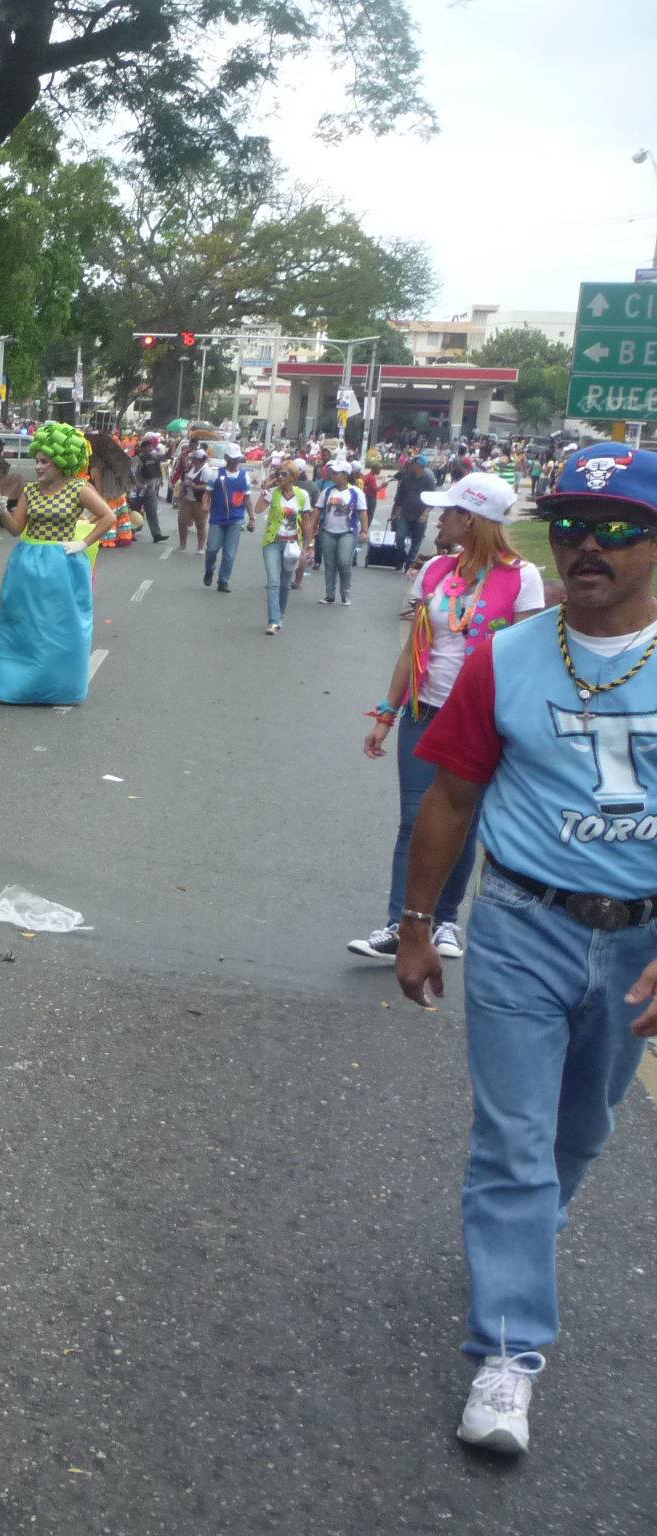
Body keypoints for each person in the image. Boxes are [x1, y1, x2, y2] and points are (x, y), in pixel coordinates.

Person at [394, 444, 657, 1458]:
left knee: (577, 1134)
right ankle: (506, 1354)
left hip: (634, 936)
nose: (584, 545)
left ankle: (517, 1243)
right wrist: (419, 924)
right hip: (518, 925)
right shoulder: (505, 653)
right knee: (509, 1145)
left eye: (615, 526)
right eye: (568, 524)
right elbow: (450, 798)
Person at [354, 472, 545, 962]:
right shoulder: (436, 569)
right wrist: (387, 713)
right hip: (425, 710)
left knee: (463, 820)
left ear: (472, 519)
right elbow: (414, 648)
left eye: (449, 511)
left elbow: (525, 658)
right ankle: (400, 923)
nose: (439, 518)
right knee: (415, 820)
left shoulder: (522, 577)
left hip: (482, 721)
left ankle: (445, 922)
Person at [0, 422, 117, 706]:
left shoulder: (78, 488)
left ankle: (60, 687)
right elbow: (15, 529)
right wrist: (2, 508)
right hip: (26, 563)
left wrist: (83, 544)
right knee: (23, 626)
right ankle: (18, 687)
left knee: (60, 628)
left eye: (44, 462)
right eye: (37, 461)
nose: (38, 467)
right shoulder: (32, 491)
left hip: (62, 564)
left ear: (62, 462)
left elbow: (108, 516)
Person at [257, 459, 312, 635]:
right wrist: (266, 486)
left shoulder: (302, 495)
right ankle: (273, 620)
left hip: (292, 544)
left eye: (284, 474)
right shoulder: (272, 493)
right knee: (273, 582)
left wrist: (309, 546)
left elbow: (307, 523)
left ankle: (279, 616)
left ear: (293, 477)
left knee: (284, 583)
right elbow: (258, 510)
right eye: (278, 473)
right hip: (272, 542)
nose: (280, 477)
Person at [316, 460, 367, 605]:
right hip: (328, 531)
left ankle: (345, 594)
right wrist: (311, 527)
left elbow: (363, 512)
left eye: (336, 473)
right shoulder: (327, 492)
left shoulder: (356, 492)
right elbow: (317, 509)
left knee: (344, 562)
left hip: (347, 532)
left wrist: (364, 531)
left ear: (345, 475)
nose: (333, 475)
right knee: (330, 564)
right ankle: (329, 594)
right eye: (332, 473)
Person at [201, 441, 249, 592]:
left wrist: (252, 518)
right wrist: (205, 504)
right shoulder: (216, 473)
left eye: (238, 458)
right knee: (212, 549)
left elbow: (247, 498)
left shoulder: (244, 476)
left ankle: (223, 581)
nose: (236, 461)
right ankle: (209, 570)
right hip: (217, 518)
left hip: (235, 519)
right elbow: (207, 494)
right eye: (233, 458)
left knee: (229, 554)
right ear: (227, 457)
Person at [392, 453, 434, 571]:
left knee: (416, 541)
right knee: (399, 537)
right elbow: (400, 497)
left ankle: (409, 563)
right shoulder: (408, 478)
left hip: (420, 515)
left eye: (413, 464)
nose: (410, 465)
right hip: (405, 513)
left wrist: (426, 513)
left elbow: (432, 499)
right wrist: (396, 514)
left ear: (419, 466)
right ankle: (402, 558)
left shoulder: (428, 480)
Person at [172, 428, 212, 551]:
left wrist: (195, 486)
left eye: (194, 459)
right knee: (182, 522)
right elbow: (185, 480)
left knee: (200, 524)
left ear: (199, 460)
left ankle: (200, 547)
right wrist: (182, 489)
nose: (192, 460)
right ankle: (182, 544)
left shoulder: (206, 470)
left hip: (199, 500)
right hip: (188, 499)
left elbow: (208, 487)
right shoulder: (192, 469)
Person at [132, 431, 169, 543]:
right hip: (139, 490)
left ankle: (156, 534)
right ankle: (130, 533)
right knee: (135, 513)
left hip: (151, 490)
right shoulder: (137, 459)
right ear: (142, 448)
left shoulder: (154, 457)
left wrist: (170, 448)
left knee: (152, 512)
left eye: (151, 447)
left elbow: (164, 458)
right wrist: (137, 484)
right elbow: (132, 473)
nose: (150, 449)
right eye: (148, 447)